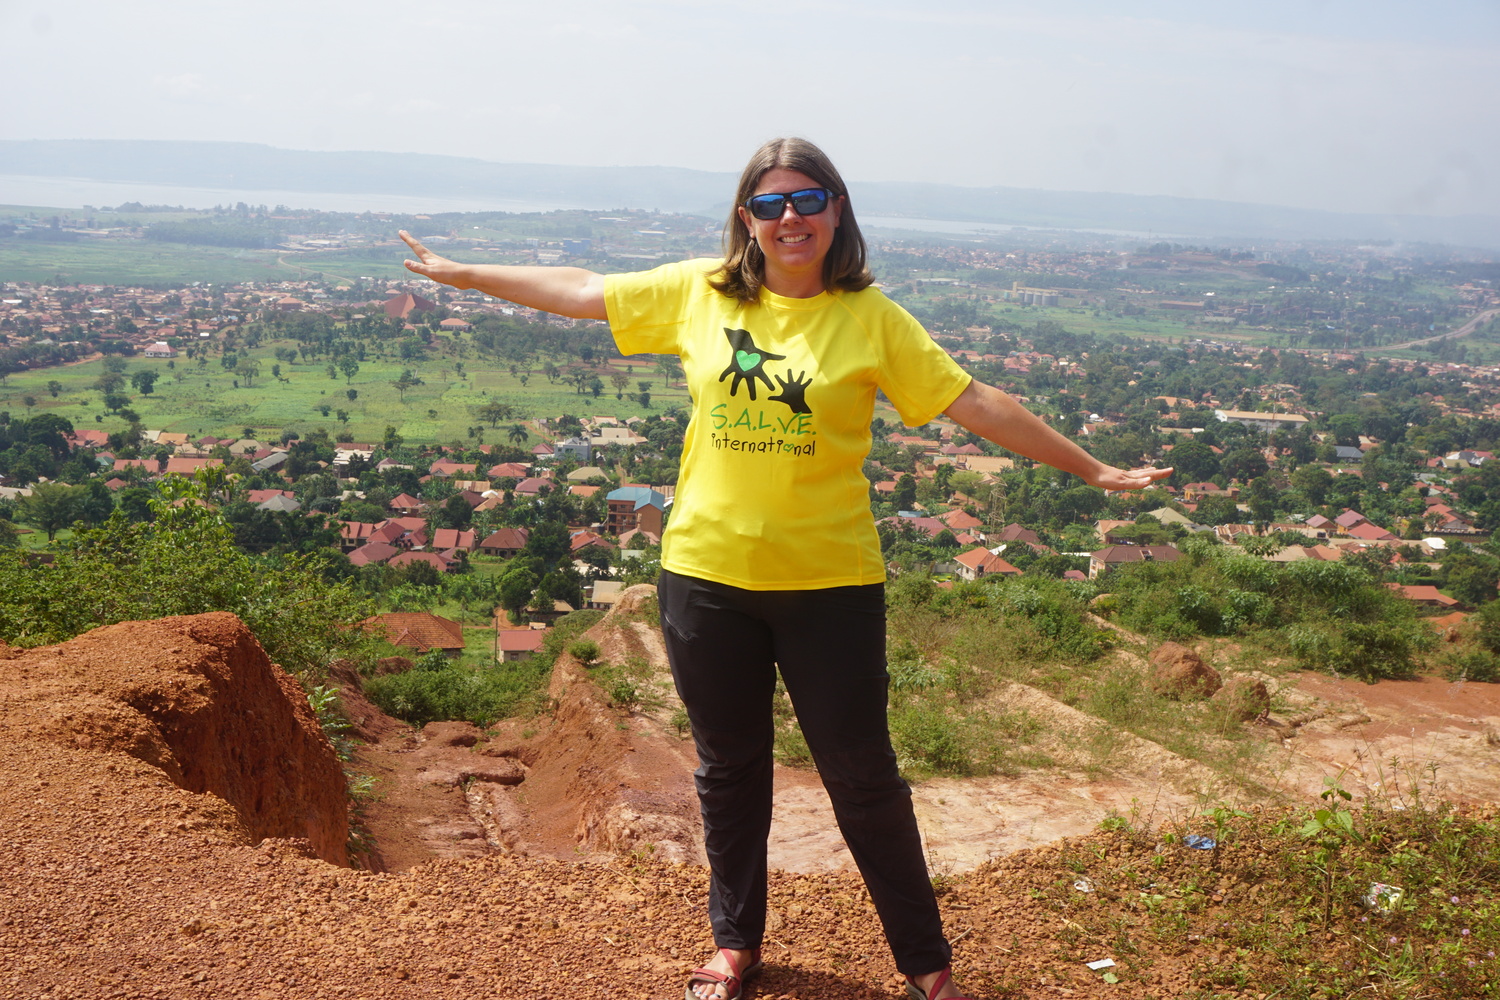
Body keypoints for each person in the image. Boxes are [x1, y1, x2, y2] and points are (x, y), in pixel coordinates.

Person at [400, 136, 1170, 1000]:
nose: (790, 218)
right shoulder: (702, 292)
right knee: (729, 771)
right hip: (705, 575)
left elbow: (976, 402)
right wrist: (467, 275)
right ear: (747, 220)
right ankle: (735, 946)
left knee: (862, 775)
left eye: (807, 201)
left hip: (830, 585)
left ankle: (925, 964)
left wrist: (1094, 470)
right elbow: (583, 291)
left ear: (836, 209)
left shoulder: (870, 318)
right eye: (770, 205)